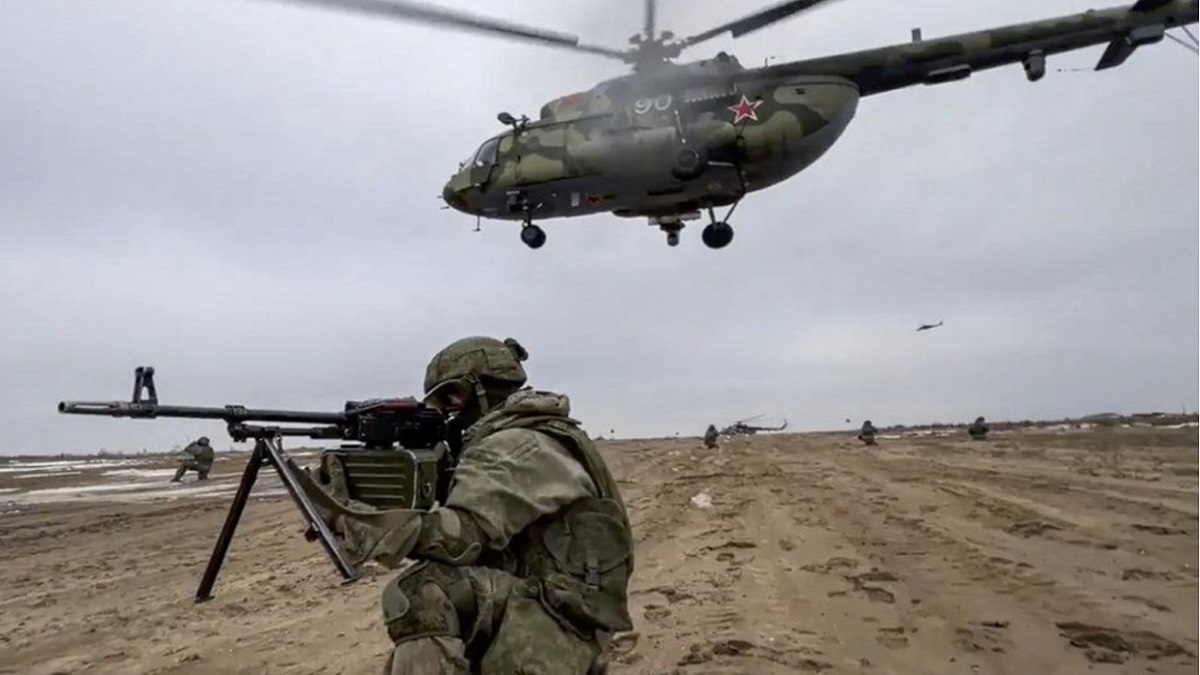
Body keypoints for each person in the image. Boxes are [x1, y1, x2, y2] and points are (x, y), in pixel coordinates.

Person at [298, 336, 634, 675]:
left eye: (449, 399)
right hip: (549, 606)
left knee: (423, 591)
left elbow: (459, 541)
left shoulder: (516, 445)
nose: (445, 414)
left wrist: (348, 518)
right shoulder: (527, 433)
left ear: (474, 390)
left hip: (561, 627)